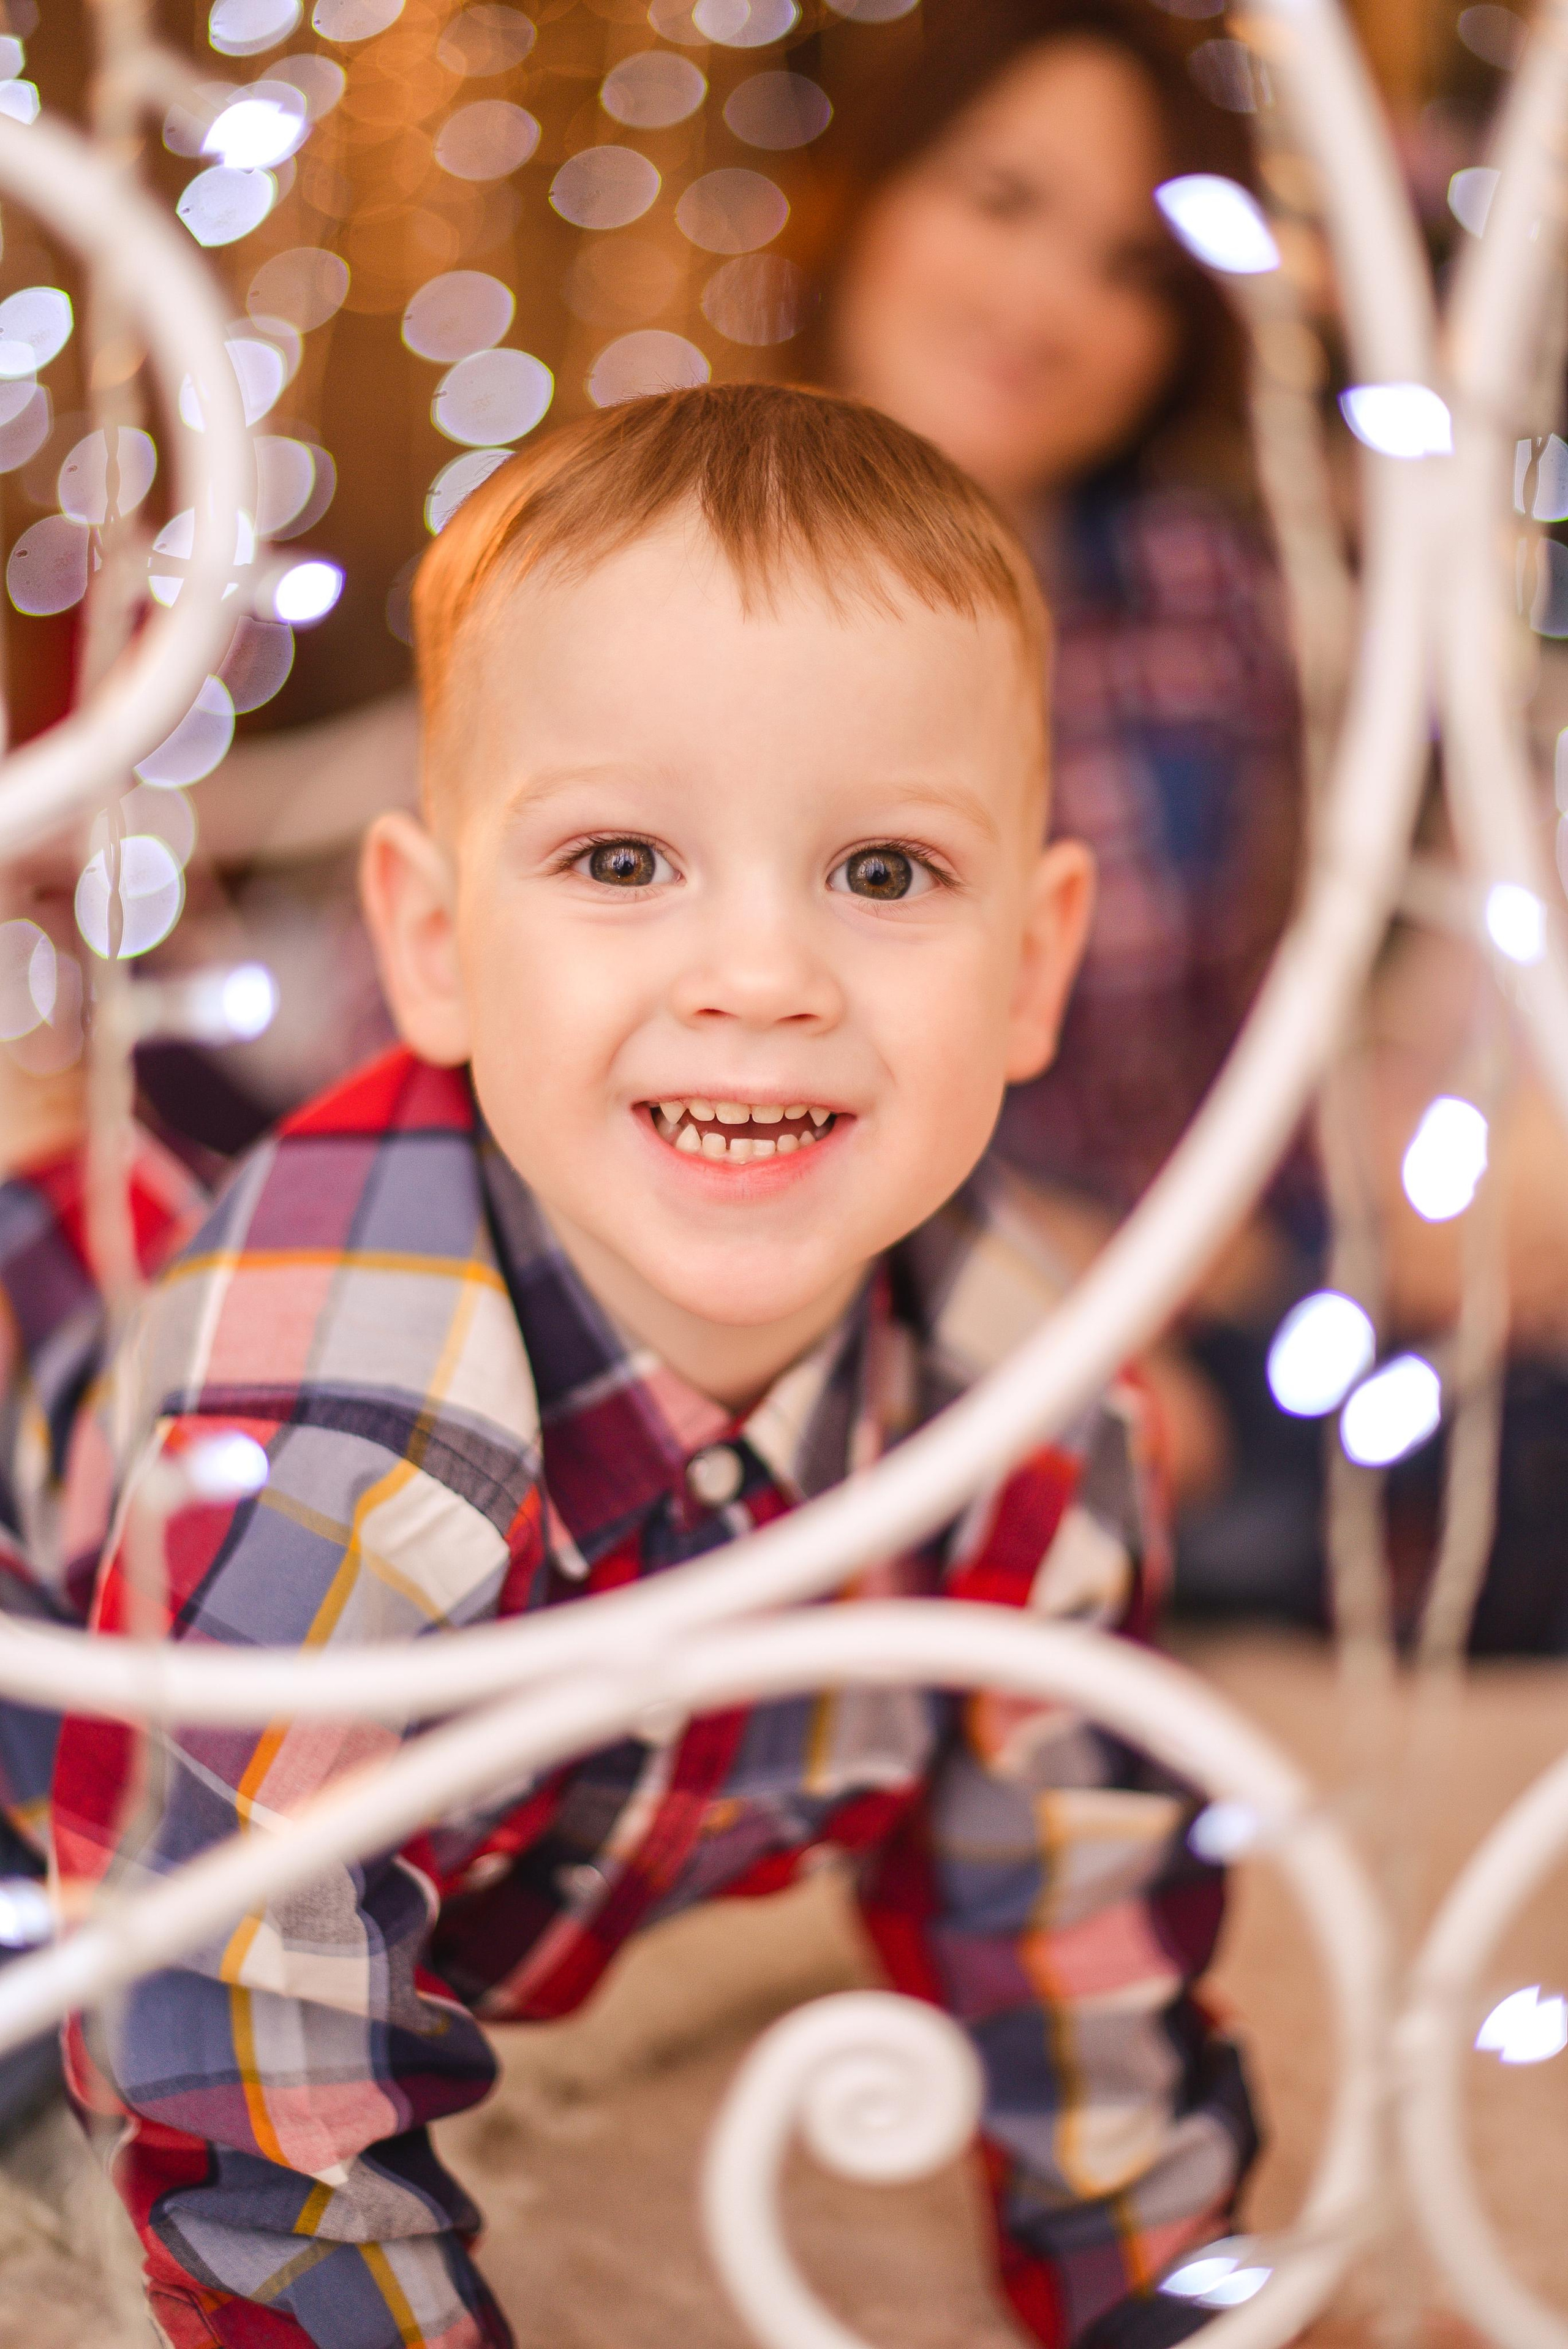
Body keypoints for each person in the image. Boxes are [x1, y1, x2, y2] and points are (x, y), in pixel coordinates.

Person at [10, 386, 1258, 2347]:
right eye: (618, 861)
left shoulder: (1024, 1400)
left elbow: (1075, 1900)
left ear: (1034, 961)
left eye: (881, 874)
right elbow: (231, 2042)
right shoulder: (330, 1448)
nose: (758, 976)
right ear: (431, 941)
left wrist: (1176, 2300)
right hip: (70, 1733)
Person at [785, 0, 1310, 1565]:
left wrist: (1233, 1244)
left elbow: (1263, 1020)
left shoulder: (1204, 594)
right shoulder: (657, 564)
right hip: (814, 1282)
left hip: (1179, 1288)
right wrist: (1023, 1280)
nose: (1044, 302)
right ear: (874, 191)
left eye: (1129, 267)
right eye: (1000, 200)